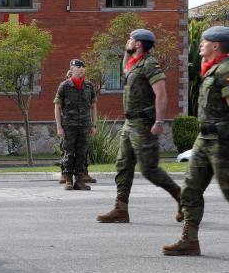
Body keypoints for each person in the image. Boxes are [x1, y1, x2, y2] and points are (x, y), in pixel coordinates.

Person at [97, 28, 181, 223]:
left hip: (144, 123)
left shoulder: (150, 64)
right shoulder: (135, 64)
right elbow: (126, 70)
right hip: (130, 122)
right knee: (123, 165)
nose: (128, 41)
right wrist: (126, 53)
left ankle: (183, 199)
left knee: (149, 169)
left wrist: (159, 121)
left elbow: (161, 93)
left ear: (139, 44)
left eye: (131, 40)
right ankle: (121, 209)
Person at [163, 26, 229, 256]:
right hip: (204, 138)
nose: (200, 44)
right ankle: (189, 240)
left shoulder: (225, 70)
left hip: (223, 141)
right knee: (191, 188)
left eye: (204, 41)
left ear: (215, 45)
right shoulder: (210, 70)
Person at [54, 59, 98, 191]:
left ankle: (80, 181)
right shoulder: (64, 86)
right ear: (71, 70)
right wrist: (59, 126)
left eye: (82, 68)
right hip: (69, 126)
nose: (81, 70)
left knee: (81, 153)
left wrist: (94, 125)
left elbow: (93, 107)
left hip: (84, 126)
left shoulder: (89, 86)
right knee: (68, 152)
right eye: (78, 68)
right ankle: (68, 179)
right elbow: (57, 106)